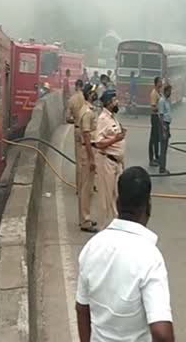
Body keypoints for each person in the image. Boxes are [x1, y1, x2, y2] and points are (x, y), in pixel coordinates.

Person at [75, 167, 175, 342]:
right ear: (148, 206)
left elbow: (82, 308)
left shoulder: (92, 247)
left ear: (118, 202)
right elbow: (162, 333)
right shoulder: (150, 257)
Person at [94, 90, 127, 229]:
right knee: (106, 198)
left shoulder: (112, 118)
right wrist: (116, 138)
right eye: (114, 100)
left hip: (116, 163)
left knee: (116, 196)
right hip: (107, 161)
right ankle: (104, 228)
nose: (117, 102)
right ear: (108, 103)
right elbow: (98, 143)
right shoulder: (102, 119)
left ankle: (114, 226)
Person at [77, 85, 99, 233]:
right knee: (86, 188)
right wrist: (92, 159)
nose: (96, 94)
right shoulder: (87, 113)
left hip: (88, 149)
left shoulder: (89, 110)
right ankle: (85, 220)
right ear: (90, 94)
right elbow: (86, 135)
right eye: (94, 92)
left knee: (88, 187)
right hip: (87, 150)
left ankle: (85, 217)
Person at [158, 85, 173, 174]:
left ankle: (163, 166)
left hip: (167, 125)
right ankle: (162, 169)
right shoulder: (162, 101)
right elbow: (161, 116)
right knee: (163, 148)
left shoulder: (166, 101)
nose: (170, 93)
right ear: (166, 91)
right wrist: (164, 130)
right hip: (163, 125)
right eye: (169, 91)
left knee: (165, 147)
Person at [149, 77, 163, 167]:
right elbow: (153, 107)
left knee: (157, 138)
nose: (161, 83)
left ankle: (157, 157)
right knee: (153, 139)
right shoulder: (154, 93)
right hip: (155, 117)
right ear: (156, 83)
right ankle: (152, 159)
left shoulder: (159, 93)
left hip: (158, 117)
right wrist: (161, 108)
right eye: (160, 82)